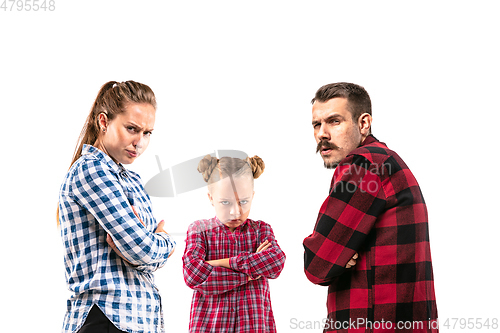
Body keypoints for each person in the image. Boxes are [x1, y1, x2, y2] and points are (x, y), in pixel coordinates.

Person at [303, 82, 438, 332]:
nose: (322, 133)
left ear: (363, 123)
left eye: (334, 121)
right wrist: (341, 256)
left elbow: (317, 264)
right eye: (316, 124)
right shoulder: (386, 160)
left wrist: (339, 257)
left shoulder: (365, 165)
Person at [58, 81, 176, 333]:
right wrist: (166, 242)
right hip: (106, 317)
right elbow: (141, 249)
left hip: (138, 321)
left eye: (147, 133)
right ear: (103, 122)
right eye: (132, 129)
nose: (139, 142)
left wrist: (147, 243)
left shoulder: (130, 179)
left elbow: (138, 247)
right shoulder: (91, 169)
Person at [182, 155, 286, 333]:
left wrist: (225, 263)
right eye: (225, 202)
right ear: (211, 198)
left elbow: (275, 263)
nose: (235, 211)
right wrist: (250, 274)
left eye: (243, 201)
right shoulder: (199, 229)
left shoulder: (261, 229)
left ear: (252, 196)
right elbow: (194, 275)